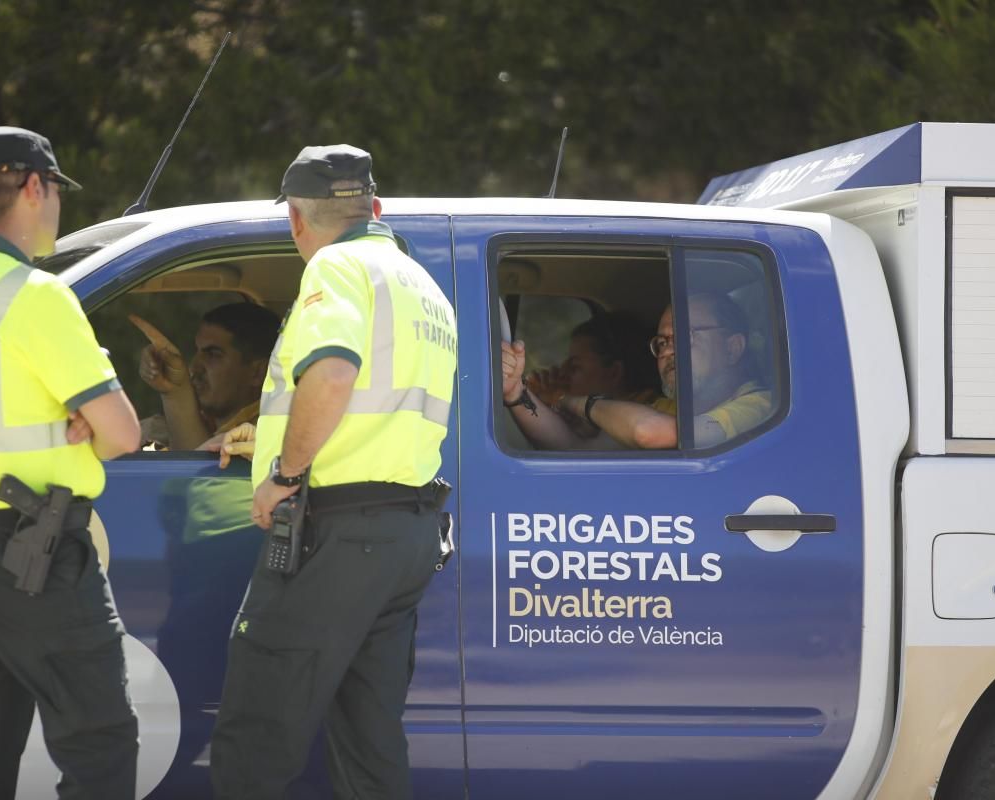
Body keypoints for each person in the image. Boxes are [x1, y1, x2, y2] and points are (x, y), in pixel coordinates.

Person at [209, 144, 457, 800]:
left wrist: (284, 475)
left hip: (336, 534)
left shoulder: (338, 268)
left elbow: (334, 372)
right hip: (406, 534)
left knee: (255, 738)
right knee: (368, 746)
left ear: (297, 218)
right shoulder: (422, 285)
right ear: (373, 207)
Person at [0, 126, 141, 799]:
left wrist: (80, 422)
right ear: (35, 188)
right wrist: (88, 424)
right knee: (100, 740)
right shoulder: (34, 297)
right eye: (56, 194)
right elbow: (124, 433)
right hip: (32, 552)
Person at [502, 292, 771, 449]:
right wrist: (516, 392)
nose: (667, 351)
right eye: (662, 342)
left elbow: (648, 431)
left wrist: (579, 403)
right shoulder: (666, 407)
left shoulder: (758, 407)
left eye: (684, 336)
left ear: (733, 347)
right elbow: (572, 446)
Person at [130, 302, 280, 450]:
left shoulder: (265, 435)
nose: (194, 367)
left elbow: (198, 470)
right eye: (198, 351)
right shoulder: (203, 421)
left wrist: (176, 392)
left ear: (258, 372)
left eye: (213, 355)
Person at [511, 311, 658, 443]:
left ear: (613, 372)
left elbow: (572, 447)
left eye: (575, 367)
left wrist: (560, 399)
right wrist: (546, 404)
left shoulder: (647, 417)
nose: (561, 373)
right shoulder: (594, 420)